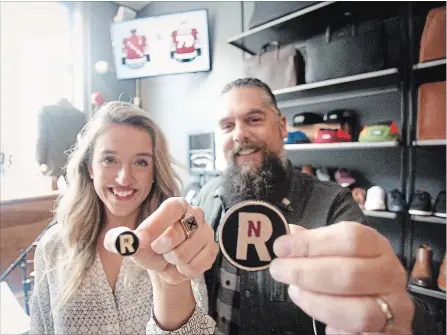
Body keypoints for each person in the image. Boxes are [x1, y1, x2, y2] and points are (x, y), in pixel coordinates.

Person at [194, 78, 438, 335]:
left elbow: (391, 309)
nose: (239, 134)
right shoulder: (206, 197)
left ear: (282, 126)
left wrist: (390, 314)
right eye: (227, 125)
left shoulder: (333, 205)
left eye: (254, 119)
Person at [30, 101, 217, 334]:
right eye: (110, 160)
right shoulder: (53, 246)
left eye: (141, 162)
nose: (124, 178)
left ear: (154, 172)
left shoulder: (177, 242)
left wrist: (172, 283)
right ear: (90, 167)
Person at [36, 98, 87, 190]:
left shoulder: (46, 112)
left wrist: (40, 159)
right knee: (73, 187)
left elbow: (43, 137)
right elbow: (84, 139)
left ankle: (52, 204)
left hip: (53, 159)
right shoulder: (79, 115)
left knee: (52, 186)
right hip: (72, 157)